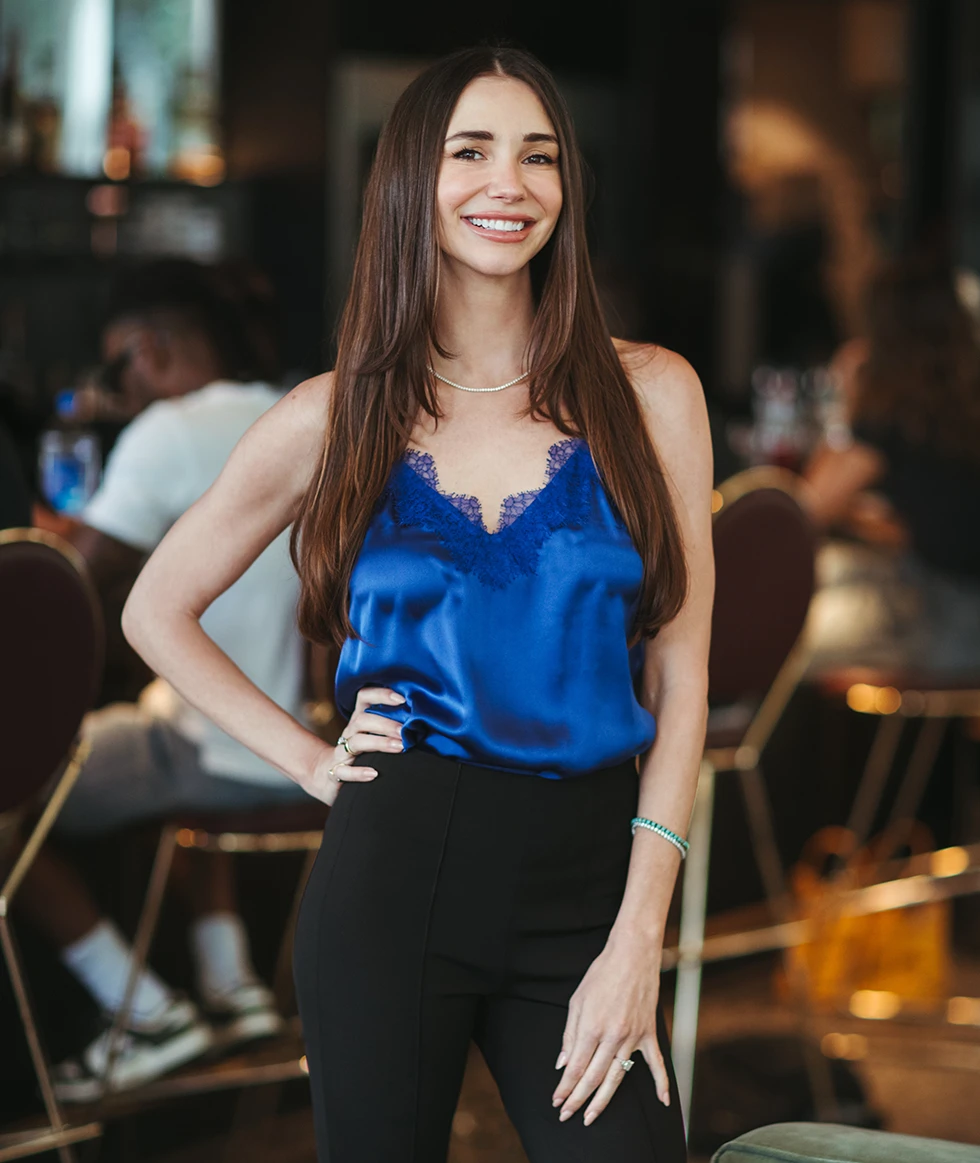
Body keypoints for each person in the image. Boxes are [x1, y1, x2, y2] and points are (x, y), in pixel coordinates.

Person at [120, 48, 713, 1161]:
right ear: (410, 181)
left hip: (591, 876)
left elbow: (682, 671)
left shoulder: (653, 392)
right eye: (471, 152)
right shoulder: (332, 413)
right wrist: (304, 759)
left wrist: (641, 935)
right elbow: (155, 607)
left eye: (538, 156)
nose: (511, 183)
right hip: (395, 867)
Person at [17, 261, 312, 1100]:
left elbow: (67, 585)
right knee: (163, 714)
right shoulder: (294, 413)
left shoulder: (168, 433)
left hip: (226, 752)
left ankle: (145, 1011)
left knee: (11, 797)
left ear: (148, 349)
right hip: (310, 744)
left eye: (117, 370)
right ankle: (232, 983)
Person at [803, 255, 980, 674]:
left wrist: (843, 402)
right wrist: (867, 517)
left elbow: (807, 508)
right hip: (974, 616)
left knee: (775, 624)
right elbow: (927, 525)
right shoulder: (971, 408)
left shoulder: (892, 414)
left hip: (941, 624)